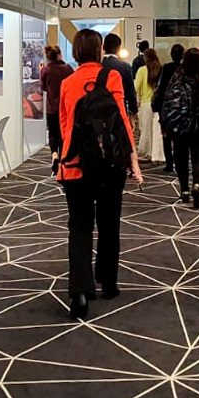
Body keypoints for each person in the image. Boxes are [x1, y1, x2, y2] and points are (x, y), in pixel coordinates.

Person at [58, 29, 143, 320]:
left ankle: (80, 294)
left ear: (75, 52)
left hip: (75, 165)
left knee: (80, 227)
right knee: (109, 222)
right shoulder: (112, 77)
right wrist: (133, 160)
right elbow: (122, 120)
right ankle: (108, 283)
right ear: (99, 50)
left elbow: (64, 127)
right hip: (110, 165)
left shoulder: (68, 83)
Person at [163, 48, 199, 208]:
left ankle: (184, 189)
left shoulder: (177, 77)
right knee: (198, 157)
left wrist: (165, 122)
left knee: (180, 156)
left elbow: (167, 99)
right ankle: (197, 184)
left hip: (180, 124)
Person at [40, 45, 73, 175]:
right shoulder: (68, 68)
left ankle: (54, 155)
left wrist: (41, 71)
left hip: (51, 108)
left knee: (53, 134)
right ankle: (64, 160)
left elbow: (43, 87)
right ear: (59, 55)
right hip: (65, 108)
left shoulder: (46, 70)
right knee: (64, 134)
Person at [152, 44, 184, 172]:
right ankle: (179, 160)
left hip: (166, 106)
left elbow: (160, 87)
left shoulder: (165, 68)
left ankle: (169, 163)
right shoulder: (184, 69)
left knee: (166, 135)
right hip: (180, 106)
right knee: (179, 136)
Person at [134, 48, 164, 160]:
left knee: (146, 130)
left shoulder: (142, 70)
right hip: (157, 104)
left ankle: (147, 152)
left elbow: (136, 87)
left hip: (146, 103)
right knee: (157, 130)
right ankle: (157, 154)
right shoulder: (160, 69)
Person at [101, 33, 139, 117]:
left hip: (99, 111)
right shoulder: (125, 67)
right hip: (119, 111)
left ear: (103, 47)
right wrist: (134, 110)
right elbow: (130, 93)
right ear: (118, 48)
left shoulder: (98, 65)